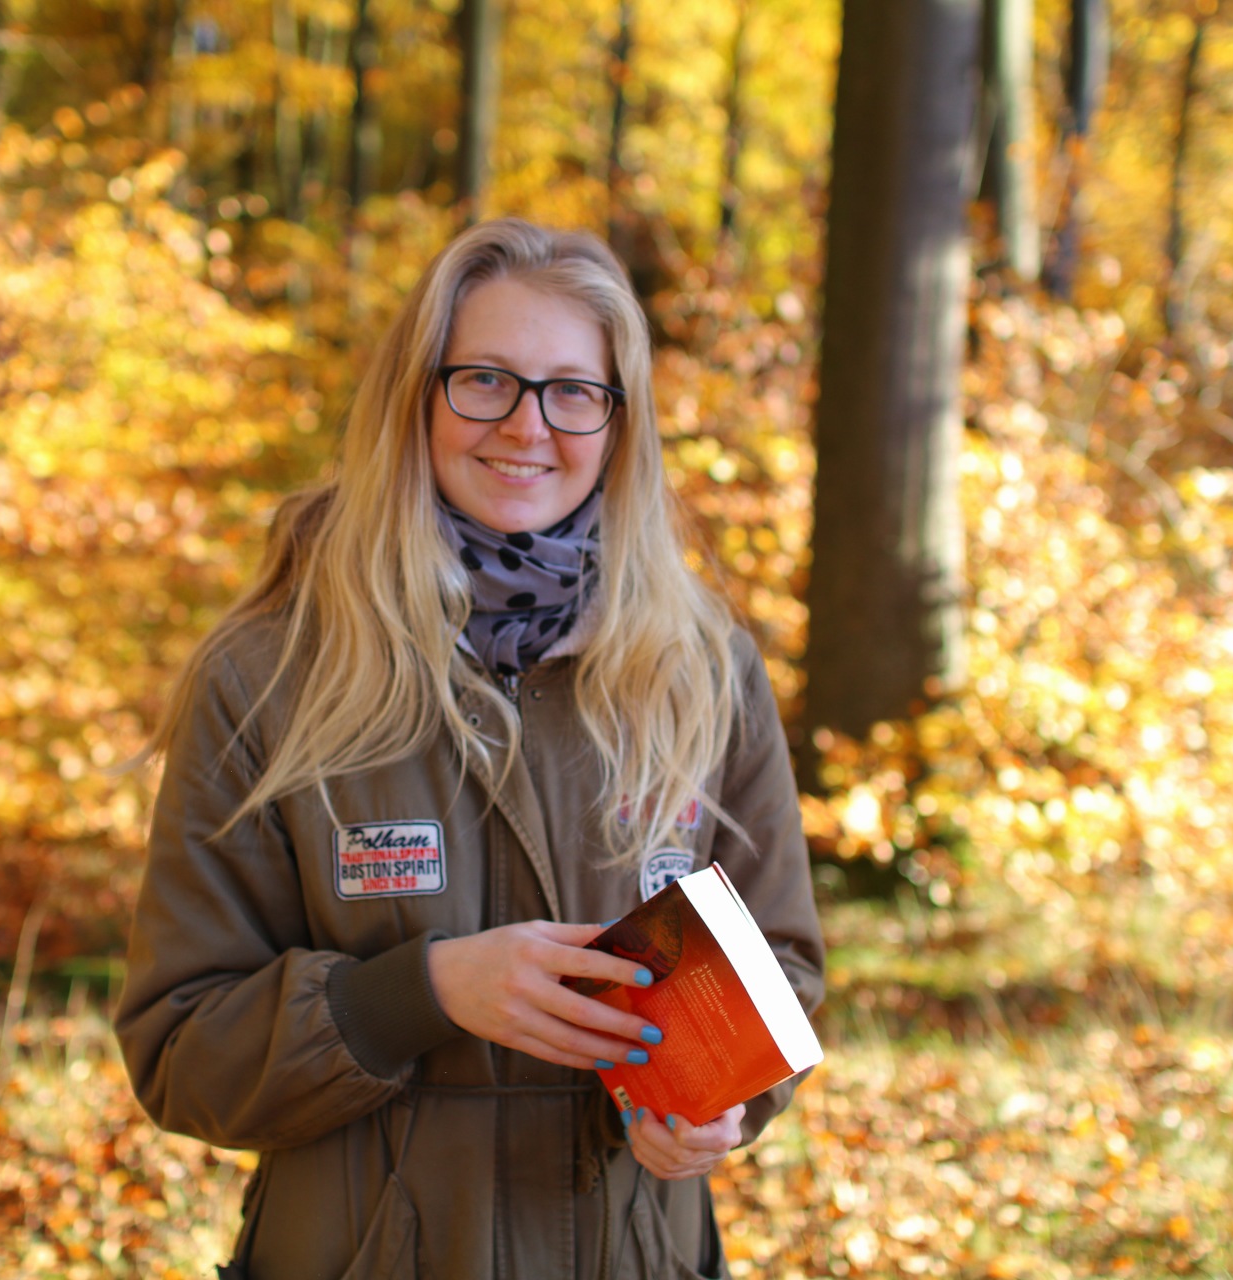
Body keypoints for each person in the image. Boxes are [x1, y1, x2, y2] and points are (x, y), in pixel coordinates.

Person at [114, 217, 825, 1280]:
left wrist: (723, 1102)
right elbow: (181, 1050)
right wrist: (422, 991)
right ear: (418, 394)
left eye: (572, 390)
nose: (528, 426)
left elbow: (782, 968)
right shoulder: (269, 672)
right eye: (484, 379)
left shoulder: (701, 667)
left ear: (620, 421)